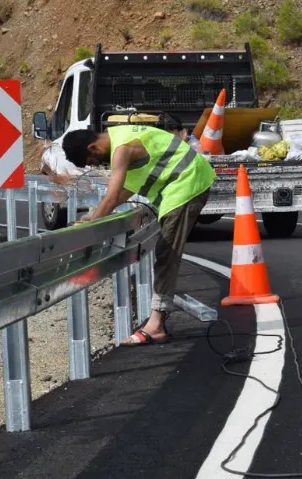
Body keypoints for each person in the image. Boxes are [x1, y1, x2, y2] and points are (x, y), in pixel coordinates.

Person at [61, 124, 215, 346]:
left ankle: (157, 324)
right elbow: (127, 190)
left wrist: (90, 228)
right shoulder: (121, 136)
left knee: (167, 253)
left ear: (93, 147)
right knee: (165, 252)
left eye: (93, 161)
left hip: (188, 182)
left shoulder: (121, 148)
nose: (98, 166)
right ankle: (157, 320)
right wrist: (93, 215)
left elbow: (112, 197)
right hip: (186, 182)